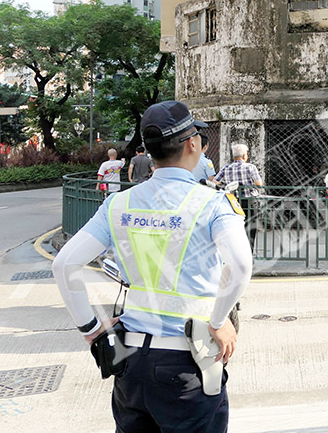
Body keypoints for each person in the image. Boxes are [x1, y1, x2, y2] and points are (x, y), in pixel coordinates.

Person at [52, 100, 253, 432]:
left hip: (130, 365)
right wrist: (218, 320)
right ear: (192, 144)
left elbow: (64, 264)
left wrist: (91, 330)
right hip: (186, 366)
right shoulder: (213, 204)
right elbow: (242, 265)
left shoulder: (119, 203)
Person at [215, 143, 264, 246]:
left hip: (234, 202)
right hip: (250, 201)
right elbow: (258, 183)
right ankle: (248, 254)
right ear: (244, 156)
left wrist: (226, 184)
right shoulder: (250, 167)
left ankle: (237, 253)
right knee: (251, 227)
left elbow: (215, 181)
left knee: (236, 227)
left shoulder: (226, 168)